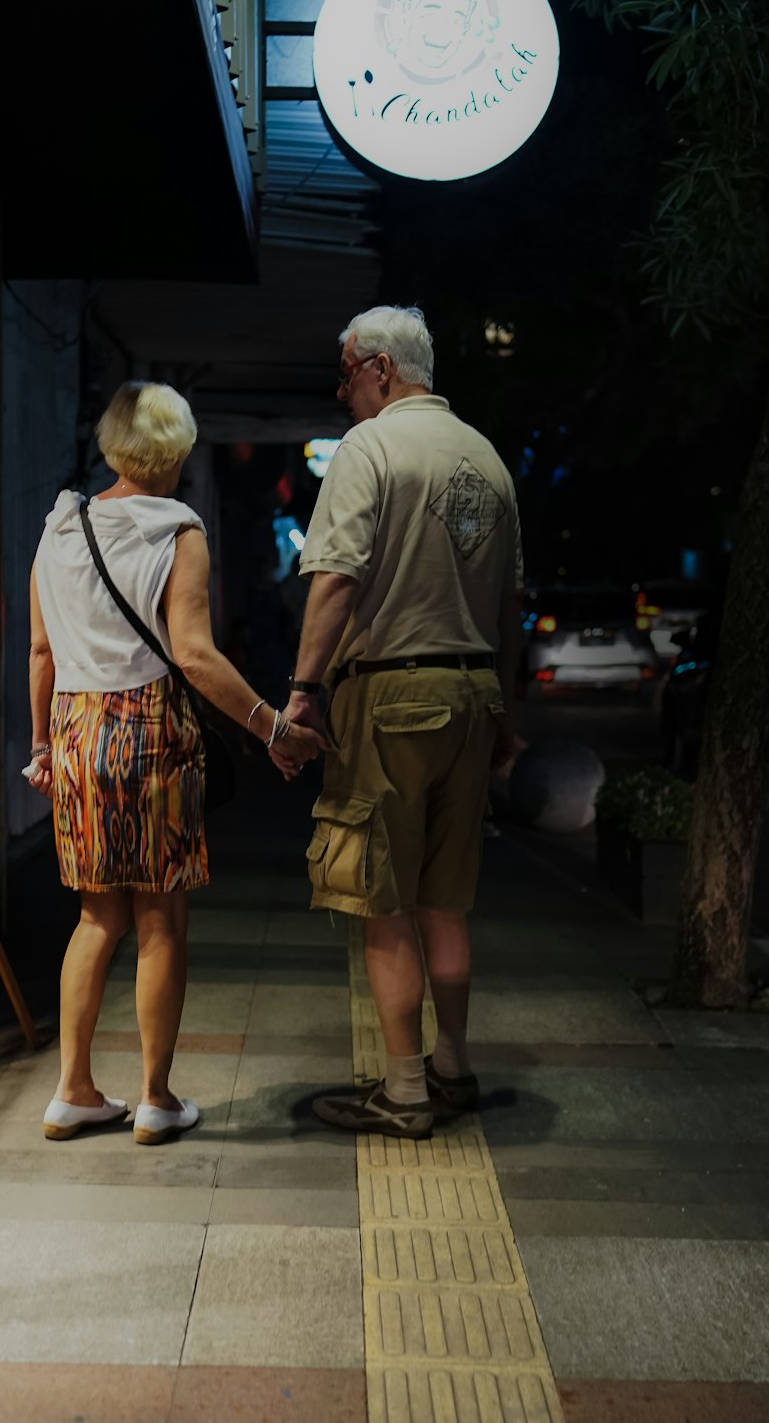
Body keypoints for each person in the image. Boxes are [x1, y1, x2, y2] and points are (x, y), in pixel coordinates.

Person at [26, 383, 319, 1146]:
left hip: (76, 729)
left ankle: (73, 1089)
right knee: (161, 919)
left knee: (96, 915)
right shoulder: (178, 531)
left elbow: (41, 651)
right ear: (178, 451)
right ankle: (154, 1098)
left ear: (112, 444)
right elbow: (192, 654)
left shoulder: (61, 524)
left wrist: (40, 746)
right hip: (148, 729)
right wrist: (269, 726)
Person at [277, 306, 523, 1140]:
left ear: (381, 368)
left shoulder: (371, 448)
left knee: (384, 898)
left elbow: (337, 577)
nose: (343, 390)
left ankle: (406, 1088)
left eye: (346, 373)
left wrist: (304, 689)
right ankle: (453, 1062)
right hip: (474, 693)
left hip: (390, 697)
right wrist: (507, 711)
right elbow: (510, 604)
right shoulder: (487, 459)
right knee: (446, 901)